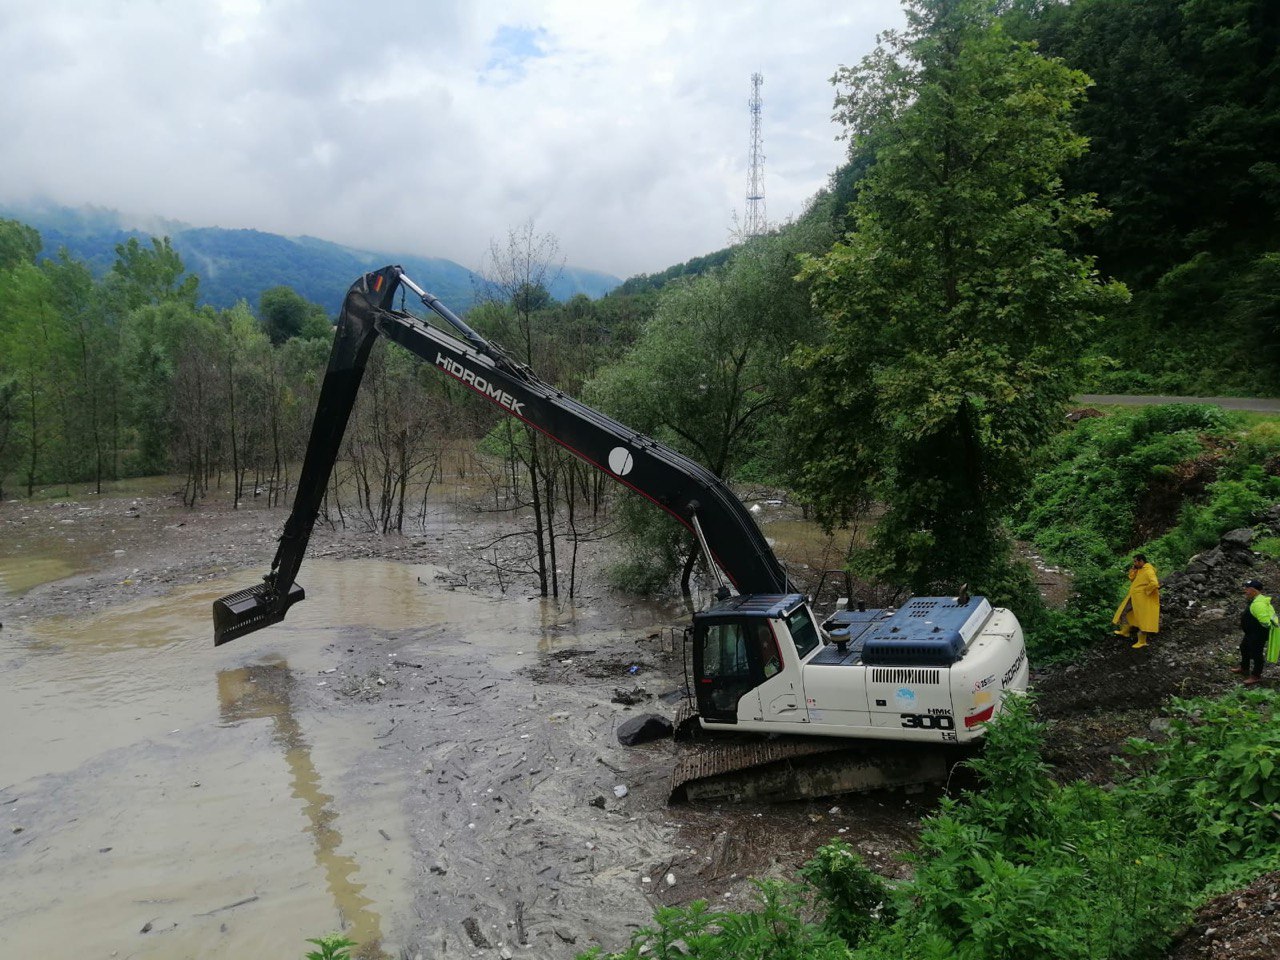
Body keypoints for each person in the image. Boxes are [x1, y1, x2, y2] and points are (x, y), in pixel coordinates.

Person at [1113, 553, 1160, 649]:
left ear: (1141, 561)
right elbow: (1131, 578)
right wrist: (1133, 570)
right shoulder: (1140, 569)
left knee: (1143, 618)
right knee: (1124, 611)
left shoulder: (1148, 570)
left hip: (1143, 599)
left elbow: (1154, 583)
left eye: (1135, 561)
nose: (1134, 563)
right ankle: (1125, 631)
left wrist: (1145, 591)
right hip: (1134, 597)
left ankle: (1142, 641)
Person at [1234, 579, 1275, 686]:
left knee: (1256, 653)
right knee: (1244, 647)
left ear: (1254, 590)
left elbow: (1266, 622)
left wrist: (1258, 631)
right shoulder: (1255, 600)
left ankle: (1256, 676)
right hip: (1251, 633)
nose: (1245, 591)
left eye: (1247, 589)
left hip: (1257, 634)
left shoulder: (1258, 604)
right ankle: (1244, 668)